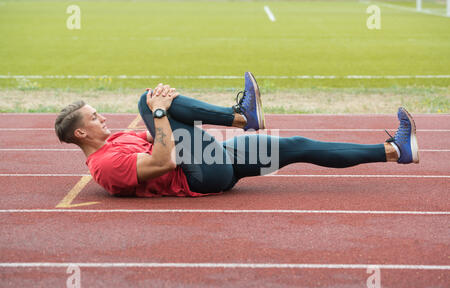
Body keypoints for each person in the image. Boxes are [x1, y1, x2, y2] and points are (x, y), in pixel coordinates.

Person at [54, 72, 419, 197]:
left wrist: (164, 116)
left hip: (215, 159)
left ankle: (393, 150)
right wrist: (160, 111)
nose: (102, 117)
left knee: (297, 146)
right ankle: (242, 116)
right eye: (94, 116)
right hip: (202, 177)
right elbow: (165, 159)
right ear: (82, 131)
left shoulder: (117, 140)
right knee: (146, 102)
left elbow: (169, 140)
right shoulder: (104, 165)